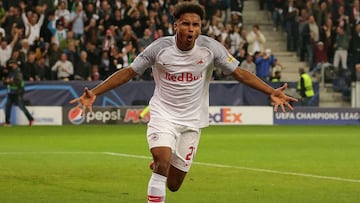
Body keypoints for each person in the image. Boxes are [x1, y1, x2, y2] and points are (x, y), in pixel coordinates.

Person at [70, 2, 297, 203]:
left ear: (200, 28)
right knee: (161, 163)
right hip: (163, 114)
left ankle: (163, 162)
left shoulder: (211, 48)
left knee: (174, 184)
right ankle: (161, 160)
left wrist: (270, 91)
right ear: (175, 26)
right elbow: (128, 72)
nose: (191, 29)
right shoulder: (159, 48)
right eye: (186, 24)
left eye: (196, 25)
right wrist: (96, 93)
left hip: (192, 121)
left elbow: (240, 73)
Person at [3, 60, 34, 126]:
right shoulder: (11, 72)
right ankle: (7, 122)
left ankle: (31, 119)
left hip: (17, 93)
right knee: (7, 106)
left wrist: (9, 82)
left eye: (13, 64)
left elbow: (18, 83)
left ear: (16, 65)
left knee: (22, 107)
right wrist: (7, 81)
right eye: (12, 64)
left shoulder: (18, 73)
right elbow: (6, 81)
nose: (12, 65)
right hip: (11, 92)